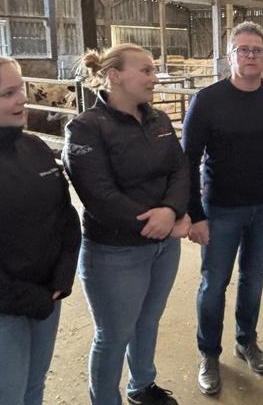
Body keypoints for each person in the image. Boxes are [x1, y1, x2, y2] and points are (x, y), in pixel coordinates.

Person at [62, 43, 190, 405]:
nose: (154, 77)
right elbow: (100, 196)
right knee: (114, 334)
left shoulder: (159, 120)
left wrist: (170, 210)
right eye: (146, 71)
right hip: (114, 250)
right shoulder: (86, 129)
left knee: (148, 320)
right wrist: (163, 222)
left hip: (163, 246)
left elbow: (180, 169)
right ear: (115, 76)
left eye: (154, 70)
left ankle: (141, 386)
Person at [182, 21, 263, 395]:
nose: (250, 55)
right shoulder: (207, 100)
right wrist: (194, 213)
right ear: (230, 56)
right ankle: (209, 354)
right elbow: (188, 160)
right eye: (243, 49)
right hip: (221, 209)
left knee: (253, 278)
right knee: (214, 283)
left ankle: (246, 341)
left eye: (257, 50)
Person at [0, 53, 80, 404]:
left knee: (34, 385)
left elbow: (66, 217)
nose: (22, 98)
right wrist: (27, 298)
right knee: (1, 395)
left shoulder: (33, 147)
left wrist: (62, 277)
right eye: (7, 93)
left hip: (47, 296)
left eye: (20, 89)